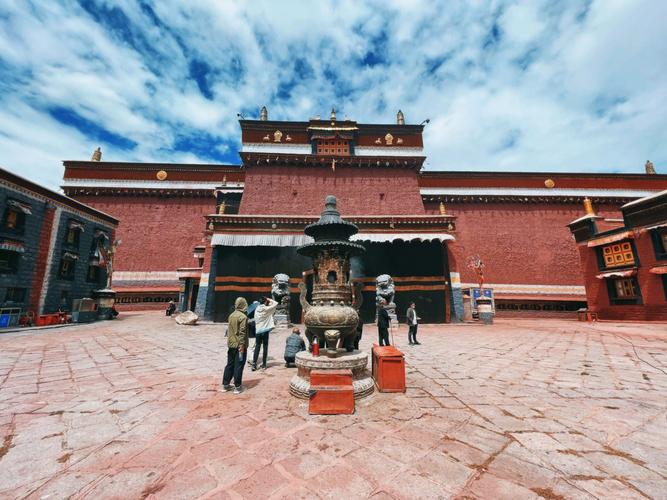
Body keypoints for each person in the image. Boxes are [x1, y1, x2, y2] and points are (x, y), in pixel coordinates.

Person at [222, 297, 248, 394]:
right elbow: (242, 332)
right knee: (239, 365)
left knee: (230, 364)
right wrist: (242, 345)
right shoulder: (243, 317)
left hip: (231, 344)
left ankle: (225, 384)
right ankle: (237, 386)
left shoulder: (231, 315)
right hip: (240, 346)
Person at [252, 296, 279, 371]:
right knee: (265, 347)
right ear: (265, 302)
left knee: (257, 347)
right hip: (265, 330)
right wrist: (269, 299)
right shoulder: (267, 309)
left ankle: (254, 364)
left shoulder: (257, 309)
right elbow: (276, 303)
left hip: (258, 331)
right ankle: (264, 364)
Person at [246, 300, 260, 365]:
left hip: (251, 334)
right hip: (253, 334)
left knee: (251, 347)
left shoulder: (249, 317)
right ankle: (251, 359)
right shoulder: (254, 318)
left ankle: (249, 359)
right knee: (252, 347)